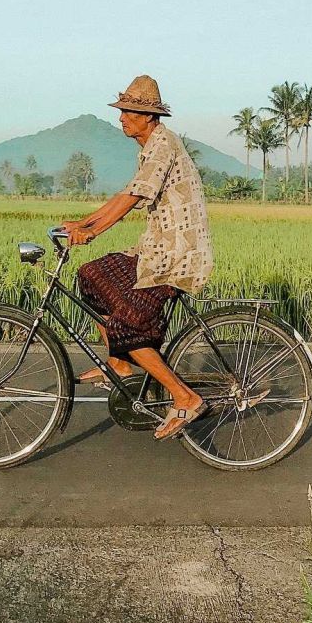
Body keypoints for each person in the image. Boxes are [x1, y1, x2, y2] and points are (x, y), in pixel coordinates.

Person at [61, 75, 214, 440]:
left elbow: (132, 199)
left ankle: (185, 397)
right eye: (123, 110)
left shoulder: (163, 145)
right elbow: (127, 192)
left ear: (150, 117)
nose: (122, 118)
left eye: (130, 111)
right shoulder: (148, 146)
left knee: (126, 325)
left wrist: (93, 232)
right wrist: (82, 222)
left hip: (177, 255)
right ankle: (120, 365)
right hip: (154, 248)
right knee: (92, 274)